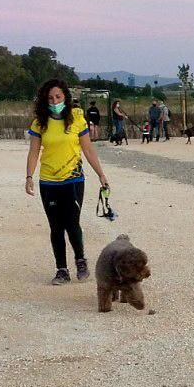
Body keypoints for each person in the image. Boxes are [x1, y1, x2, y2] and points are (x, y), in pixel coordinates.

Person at [25, 78, 111, 285]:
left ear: (65, 97)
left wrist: (101, 174)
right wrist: (29, 176)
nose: (55, 101)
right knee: (56, 227)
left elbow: (88, 149)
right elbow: (34, 151)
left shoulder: (76, 120)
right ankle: (61, 269)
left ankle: (80, 260)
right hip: (49, 182)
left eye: (58, 97)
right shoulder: (39, 123)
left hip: (73, 180)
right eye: (50, 98)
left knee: (72, 223)